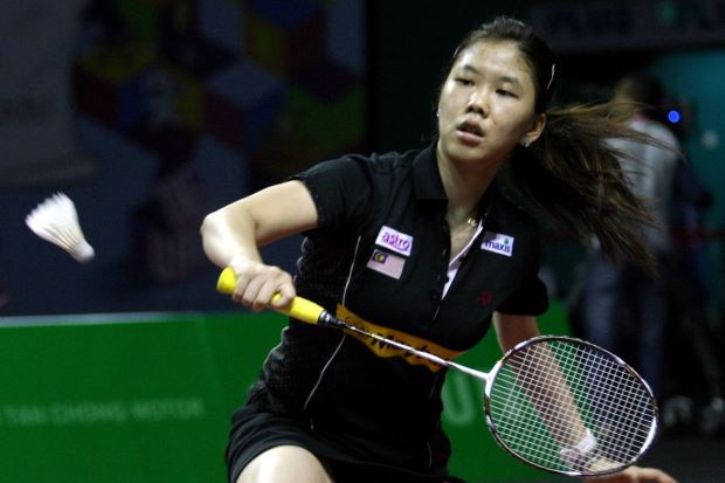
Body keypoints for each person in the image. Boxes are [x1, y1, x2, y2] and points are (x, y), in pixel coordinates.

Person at [201, 16, 677, 483]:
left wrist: (587, 458)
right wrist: (247, 265)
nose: (477, 103)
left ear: (532, 127)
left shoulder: (514, 239)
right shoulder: (365, 186)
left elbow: (525, 351)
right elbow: (228, 221)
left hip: (409, 459)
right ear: (441, 95)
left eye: (504, 92)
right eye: (465, 82)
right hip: (297, 431)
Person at [580, 74, 680, 401]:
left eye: (619, 96)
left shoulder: (610, 136)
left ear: (632, 100)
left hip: (614, 243)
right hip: (655, 244)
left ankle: (604, 413)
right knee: (653, 332)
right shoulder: (667, 138)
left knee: (602, 331)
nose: (614, 102)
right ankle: (653, 410)